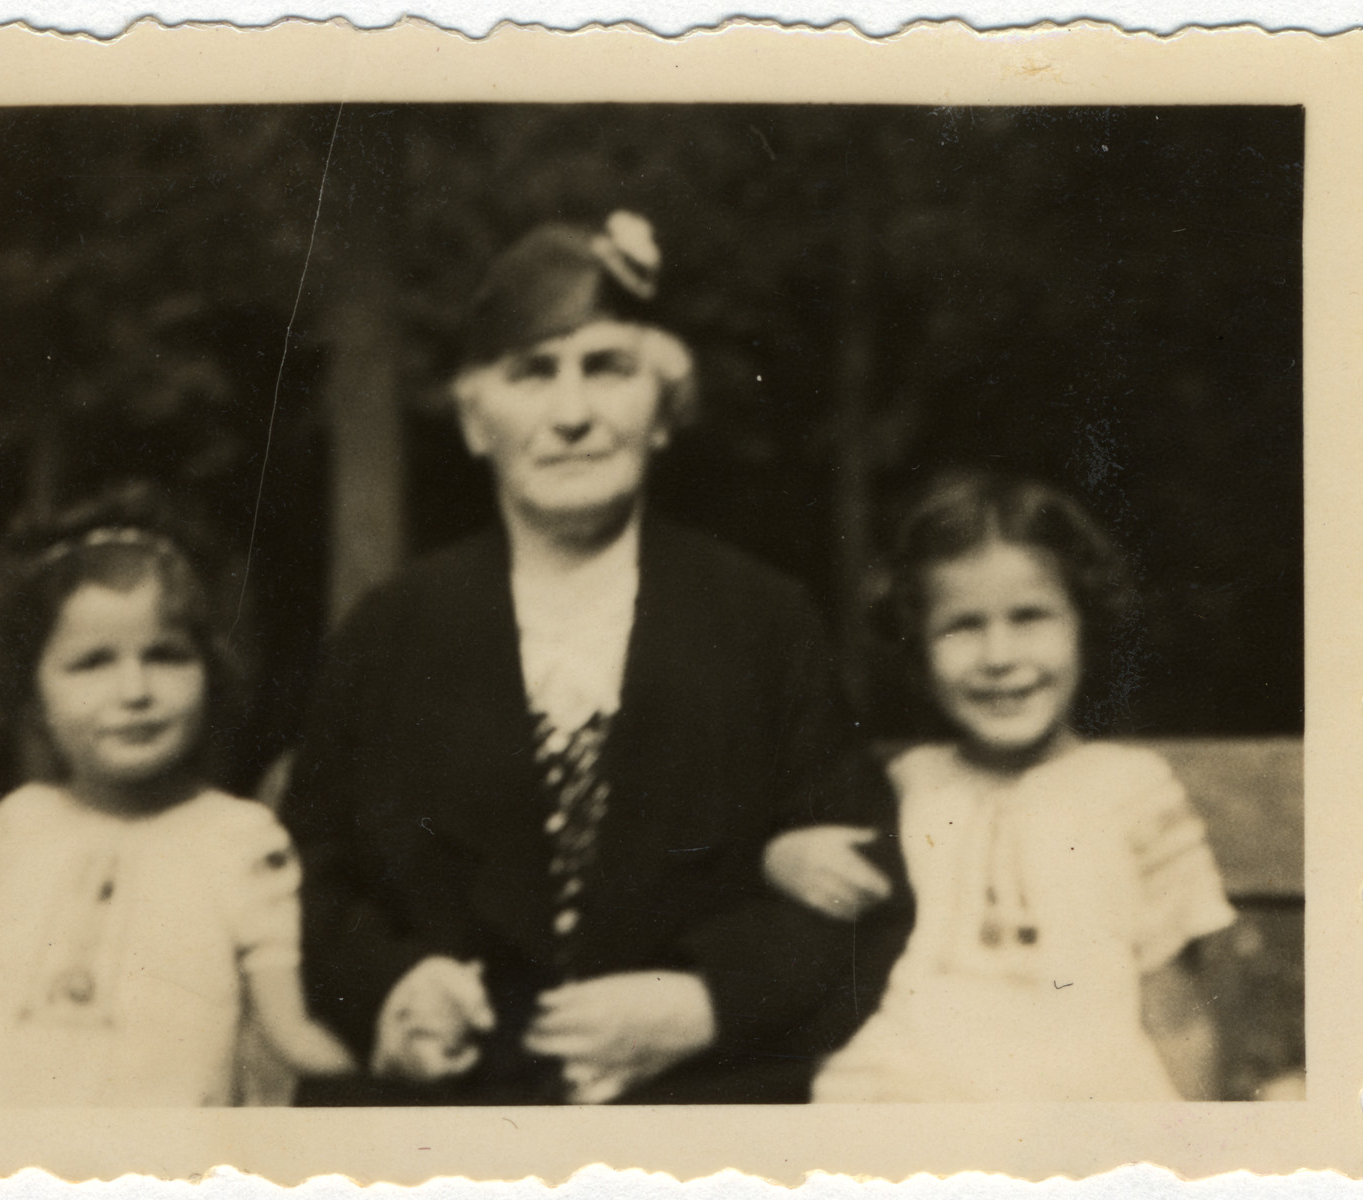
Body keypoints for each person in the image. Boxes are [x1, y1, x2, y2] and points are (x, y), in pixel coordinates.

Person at [285, 211, 912, 1105]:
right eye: (532, 373)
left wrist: (709, 1000)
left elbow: (867, 891)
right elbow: (306, 880)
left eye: (607, 368)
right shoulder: (391, 634)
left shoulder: (762, 622)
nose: (572, 414)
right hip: (444, 1123)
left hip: (689, 1122)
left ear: (663, 411)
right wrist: (391, 988)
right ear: (475, 419)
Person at [766, 469, 1235, 1101]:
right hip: (907, 1095)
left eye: (1030, 617)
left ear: (1082, 625)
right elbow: (815, 908)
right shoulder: (906, 785)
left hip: (1084, 1107)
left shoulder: (1132, 792)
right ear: (918, 646)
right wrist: (782, 859)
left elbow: (1178, 1018)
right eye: (962, 626)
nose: (998, 655)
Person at [0, 484, 352, 1107]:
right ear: (31, 688)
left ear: (213, 667)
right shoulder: (12, 829)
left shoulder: (242, 842)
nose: (135, 689)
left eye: (167, 656)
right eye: (91, 662)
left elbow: (291, 1031)